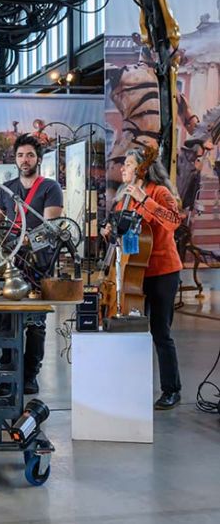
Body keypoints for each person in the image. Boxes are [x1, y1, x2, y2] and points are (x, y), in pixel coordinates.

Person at [0, 134, 64, 396]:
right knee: (7, 320)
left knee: (36, 323)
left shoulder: (50, 188)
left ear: (38, 159)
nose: (24, 160)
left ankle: (30, 376)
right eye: (20, 155)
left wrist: (22, 241)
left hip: (39, 263)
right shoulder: (6, 189)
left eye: (29, 155)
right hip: (10, 262)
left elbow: (49, 228)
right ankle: (9, 375)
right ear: (15, 159)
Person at [101, 147, 183, 410]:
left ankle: (171, 390)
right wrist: (109, 233)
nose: (122, 168)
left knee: (161, 332)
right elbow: (123, 237)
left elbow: (174, 221)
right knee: (131, 329)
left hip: (162, 271)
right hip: (133, 272)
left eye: (128, 164)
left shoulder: (159, 192)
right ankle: (131, 387)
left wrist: (145, 199)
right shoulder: (123, 198)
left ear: (142, 168)